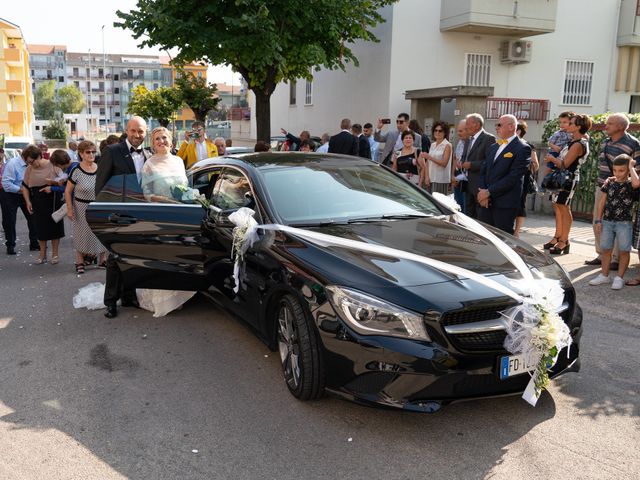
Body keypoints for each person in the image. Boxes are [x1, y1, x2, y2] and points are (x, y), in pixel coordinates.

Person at [95, 116, 152, 318]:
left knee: (134, 255)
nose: (137, 135)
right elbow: (100, 185)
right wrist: (104, 214)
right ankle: (110, 301)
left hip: (141, 213)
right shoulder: (112, 151)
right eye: (134, 131)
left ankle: (128, 296)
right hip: (117, 214)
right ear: (127, 130)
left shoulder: (148, 154)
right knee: (114, 257)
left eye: (141, 132)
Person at [586, 113, 640, 273]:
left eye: (610, 123)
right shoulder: (605, 142)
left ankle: (615, 258)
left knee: (619, 221)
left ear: (620, 127)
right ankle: (602, 254)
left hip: (622, 189)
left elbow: (637, 167)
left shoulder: (633, 143)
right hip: (603, 185)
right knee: (598, 219)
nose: (605, 126)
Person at [542, 113, 592, 254]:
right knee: (558, 206)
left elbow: (565, 164)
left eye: (571, 123)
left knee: (564, 207)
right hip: (563, 178)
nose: (567, 125)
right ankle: (559, 238)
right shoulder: (573, 141)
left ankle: (564, 241)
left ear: (578, 127)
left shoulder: (578, 144)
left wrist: (552, 158)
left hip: (568, 179)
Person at [589, 155, 640, 290]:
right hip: (607, 221)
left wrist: (631, 167)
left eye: (621, 170)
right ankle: (604, 275)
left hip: (625, 223)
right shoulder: (609, 182)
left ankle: (619, 278)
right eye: (615, 170)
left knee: (624, 250)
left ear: (628, 170)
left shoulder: (631, 184)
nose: (617, 174)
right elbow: (601, 203)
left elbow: (636, 183)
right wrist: (598, 220)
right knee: (606, 249)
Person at [477, 114, 531, 235]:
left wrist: (488, 192)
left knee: (503, 240)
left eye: (499, 125)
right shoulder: (493, 147)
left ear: (511, 127)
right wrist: (482, 192)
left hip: (504, 204)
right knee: (485, 239)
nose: (496, 128)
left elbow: (513, 177)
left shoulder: (522, 148)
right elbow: (483, 171)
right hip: (485, 202)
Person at [65, 141, 107, 274]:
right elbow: (67, 191)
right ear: (81, 154)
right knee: (81, 234)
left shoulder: (100, 168)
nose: (91, 154)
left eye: (93, 152)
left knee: (100, 233)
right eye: (88, 152)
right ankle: (79, 261)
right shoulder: (76, 170)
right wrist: (70, 209)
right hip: (81, 206)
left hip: (98, 206)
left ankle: (102, 260)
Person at [21, 148, 65, 264]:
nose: (31, 164)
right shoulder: (29, 169)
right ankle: (42, 254)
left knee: (55, 226)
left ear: (39, 156)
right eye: (28, 162)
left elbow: (64, 181)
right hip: (37, 200)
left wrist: (53, 183)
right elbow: (24, 186)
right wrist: (27, 201)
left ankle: (55, 254)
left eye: (32, 161)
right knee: (40, 228)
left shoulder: (52, 165)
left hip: (52, 199)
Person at [1, 146, 40, 254]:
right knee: (9, 221)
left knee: (33, 218)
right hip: (10, 195)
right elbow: (6, 184)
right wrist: (21, 190)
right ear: (26, 156)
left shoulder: (31, 165)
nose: (34, 162)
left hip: (25, 193)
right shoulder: (12, 164)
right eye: (33, 159)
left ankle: (34, 243)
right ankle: (10, 245)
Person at [461, 113, 495, 218]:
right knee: (469, 216)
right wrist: (461, 163)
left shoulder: (488, 138)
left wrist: (471, 165)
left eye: (467, 124)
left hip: (480, 186)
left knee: (480, 217)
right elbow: (464, 157)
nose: (466, 126)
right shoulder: (468, 139)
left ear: (476, 125)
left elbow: (489, 161)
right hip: (467, 185)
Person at [514, 121, 540, 238]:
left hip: (522, 178)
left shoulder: (528, 146)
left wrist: (529, 162)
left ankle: (517, 232)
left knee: (520, 204)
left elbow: (536, 165)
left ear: (518, 131)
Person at [421, 121, 452, 194]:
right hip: (431, 178)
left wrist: (429, 157)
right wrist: (427, 177)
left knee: (438, 202)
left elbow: (444, 163)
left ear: (445, 133)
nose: (437, 132)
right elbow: (428, 162)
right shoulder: (433, 144)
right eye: (435, 130)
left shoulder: (447, 145)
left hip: (440, 179)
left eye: (440, 131)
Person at [452, 119, 468, 213]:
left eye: (461, 131)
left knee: (465, 207)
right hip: (457, 176)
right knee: (458, 206)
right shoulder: (460, 142)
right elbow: (455, 159)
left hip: (465, 180)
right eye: (458, 130)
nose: (458, 133)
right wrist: (453, 176)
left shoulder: (471, 144)